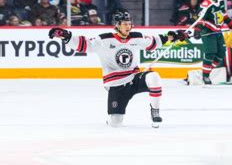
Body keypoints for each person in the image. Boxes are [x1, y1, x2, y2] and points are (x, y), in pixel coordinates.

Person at [48, 11, 188, 128]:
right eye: (125, 24)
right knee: (116, 123)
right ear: (117, 25)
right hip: (116, 86)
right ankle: (111, 120)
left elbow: (154, 41)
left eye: (129, 23)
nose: (128, 26)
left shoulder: (136, 37)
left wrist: (174, 35)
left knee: (154, 77)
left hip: (134, 79)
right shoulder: (104, 39)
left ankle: (155, 111)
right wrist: (65, 35)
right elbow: (84, 45)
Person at [196, 0, 232, 84]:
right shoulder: (206, 4)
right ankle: (205, 76)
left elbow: (223, 15)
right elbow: (200, 19)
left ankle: (206, 71)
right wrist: (197, 30)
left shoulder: (220, 0)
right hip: (208, 31)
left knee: (221, 52)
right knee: (210, 53)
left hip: (217, 31)